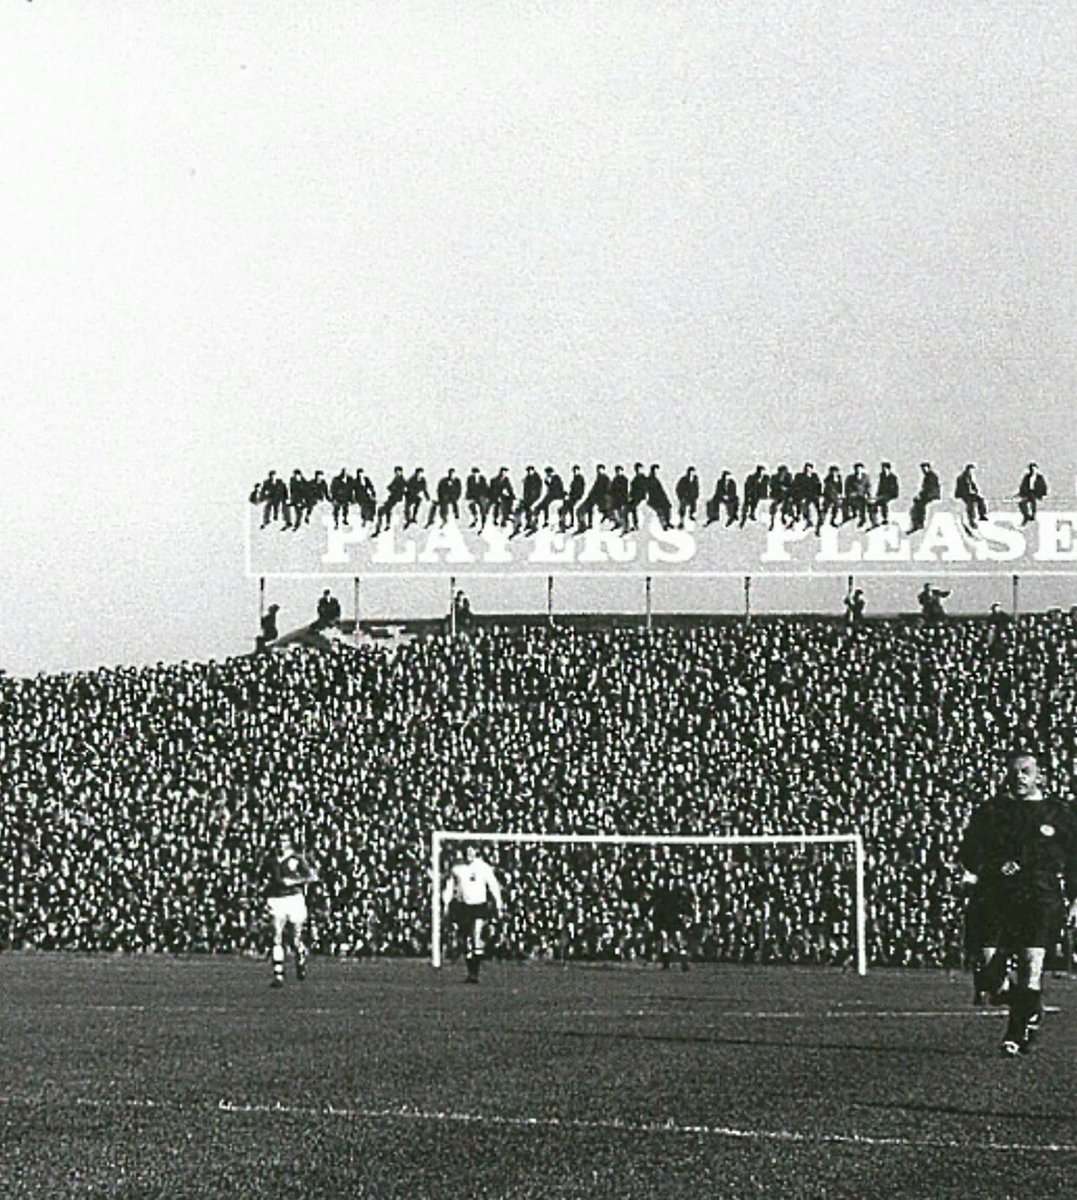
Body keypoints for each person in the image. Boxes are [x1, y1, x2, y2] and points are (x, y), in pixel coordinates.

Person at [957, 754, 1077, 1055]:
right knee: (989, 973)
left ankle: (1017, 1033)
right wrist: (993, 866)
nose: (1019, 777)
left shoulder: (1058, 813)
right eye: (1014, 772)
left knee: (1030, 962)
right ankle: (1026, 1004)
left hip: (1040, 896)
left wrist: (1075, 898)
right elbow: (969, 852)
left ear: (1039, 776)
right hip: (996, 895)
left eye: (1026, 772)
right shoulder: (992, 811)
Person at [262, 830, 318, 988]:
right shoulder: (270, 860)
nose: (281, 844)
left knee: (295, 938)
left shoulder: (297, 859)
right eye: (279, 840)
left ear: (289, 842)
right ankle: (278, 974)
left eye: (284, 840)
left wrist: (293, 881)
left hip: (294, 899)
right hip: (276, 900)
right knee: (276, 935)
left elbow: (312, 876)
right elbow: (261, 877)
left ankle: (300, 957)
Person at [442, 843, 504, 983]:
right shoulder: (457, 868)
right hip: (463, 906)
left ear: (476, 852)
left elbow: (493, 886)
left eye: (471, 852)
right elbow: (450, 887)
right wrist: (445, 904)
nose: (469, 855)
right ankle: (471, 973)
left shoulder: (483, 867)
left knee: (476, 936)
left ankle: (475, 973)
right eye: (466, 852)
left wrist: (498, 903)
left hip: (479, 906)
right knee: (466, 941)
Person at [908, 462, 941, 534]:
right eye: (922, 468)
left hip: (931, 496)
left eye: (924, 468)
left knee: (919, 506)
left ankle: (919, 523)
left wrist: (923, 496)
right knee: (916, 505)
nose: (923, 470)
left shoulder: (931, 476)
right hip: (928, 495)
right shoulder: (928, 476)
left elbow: (931, 488)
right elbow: (924, 489)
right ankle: (916, 523)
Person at [954, 463, 987, 531]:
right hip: (963, 495)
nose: (972, 472)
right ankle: (971, 520)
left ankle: (982, 515)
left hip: (970, 494)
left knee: (980, 499)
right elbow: (962, 489)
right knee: (970, 503)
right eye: (972, 470)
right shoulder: (961, 478)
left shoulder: (970, 477)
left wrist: (976, 492)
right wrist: (970, 493)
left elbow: (974, 487)